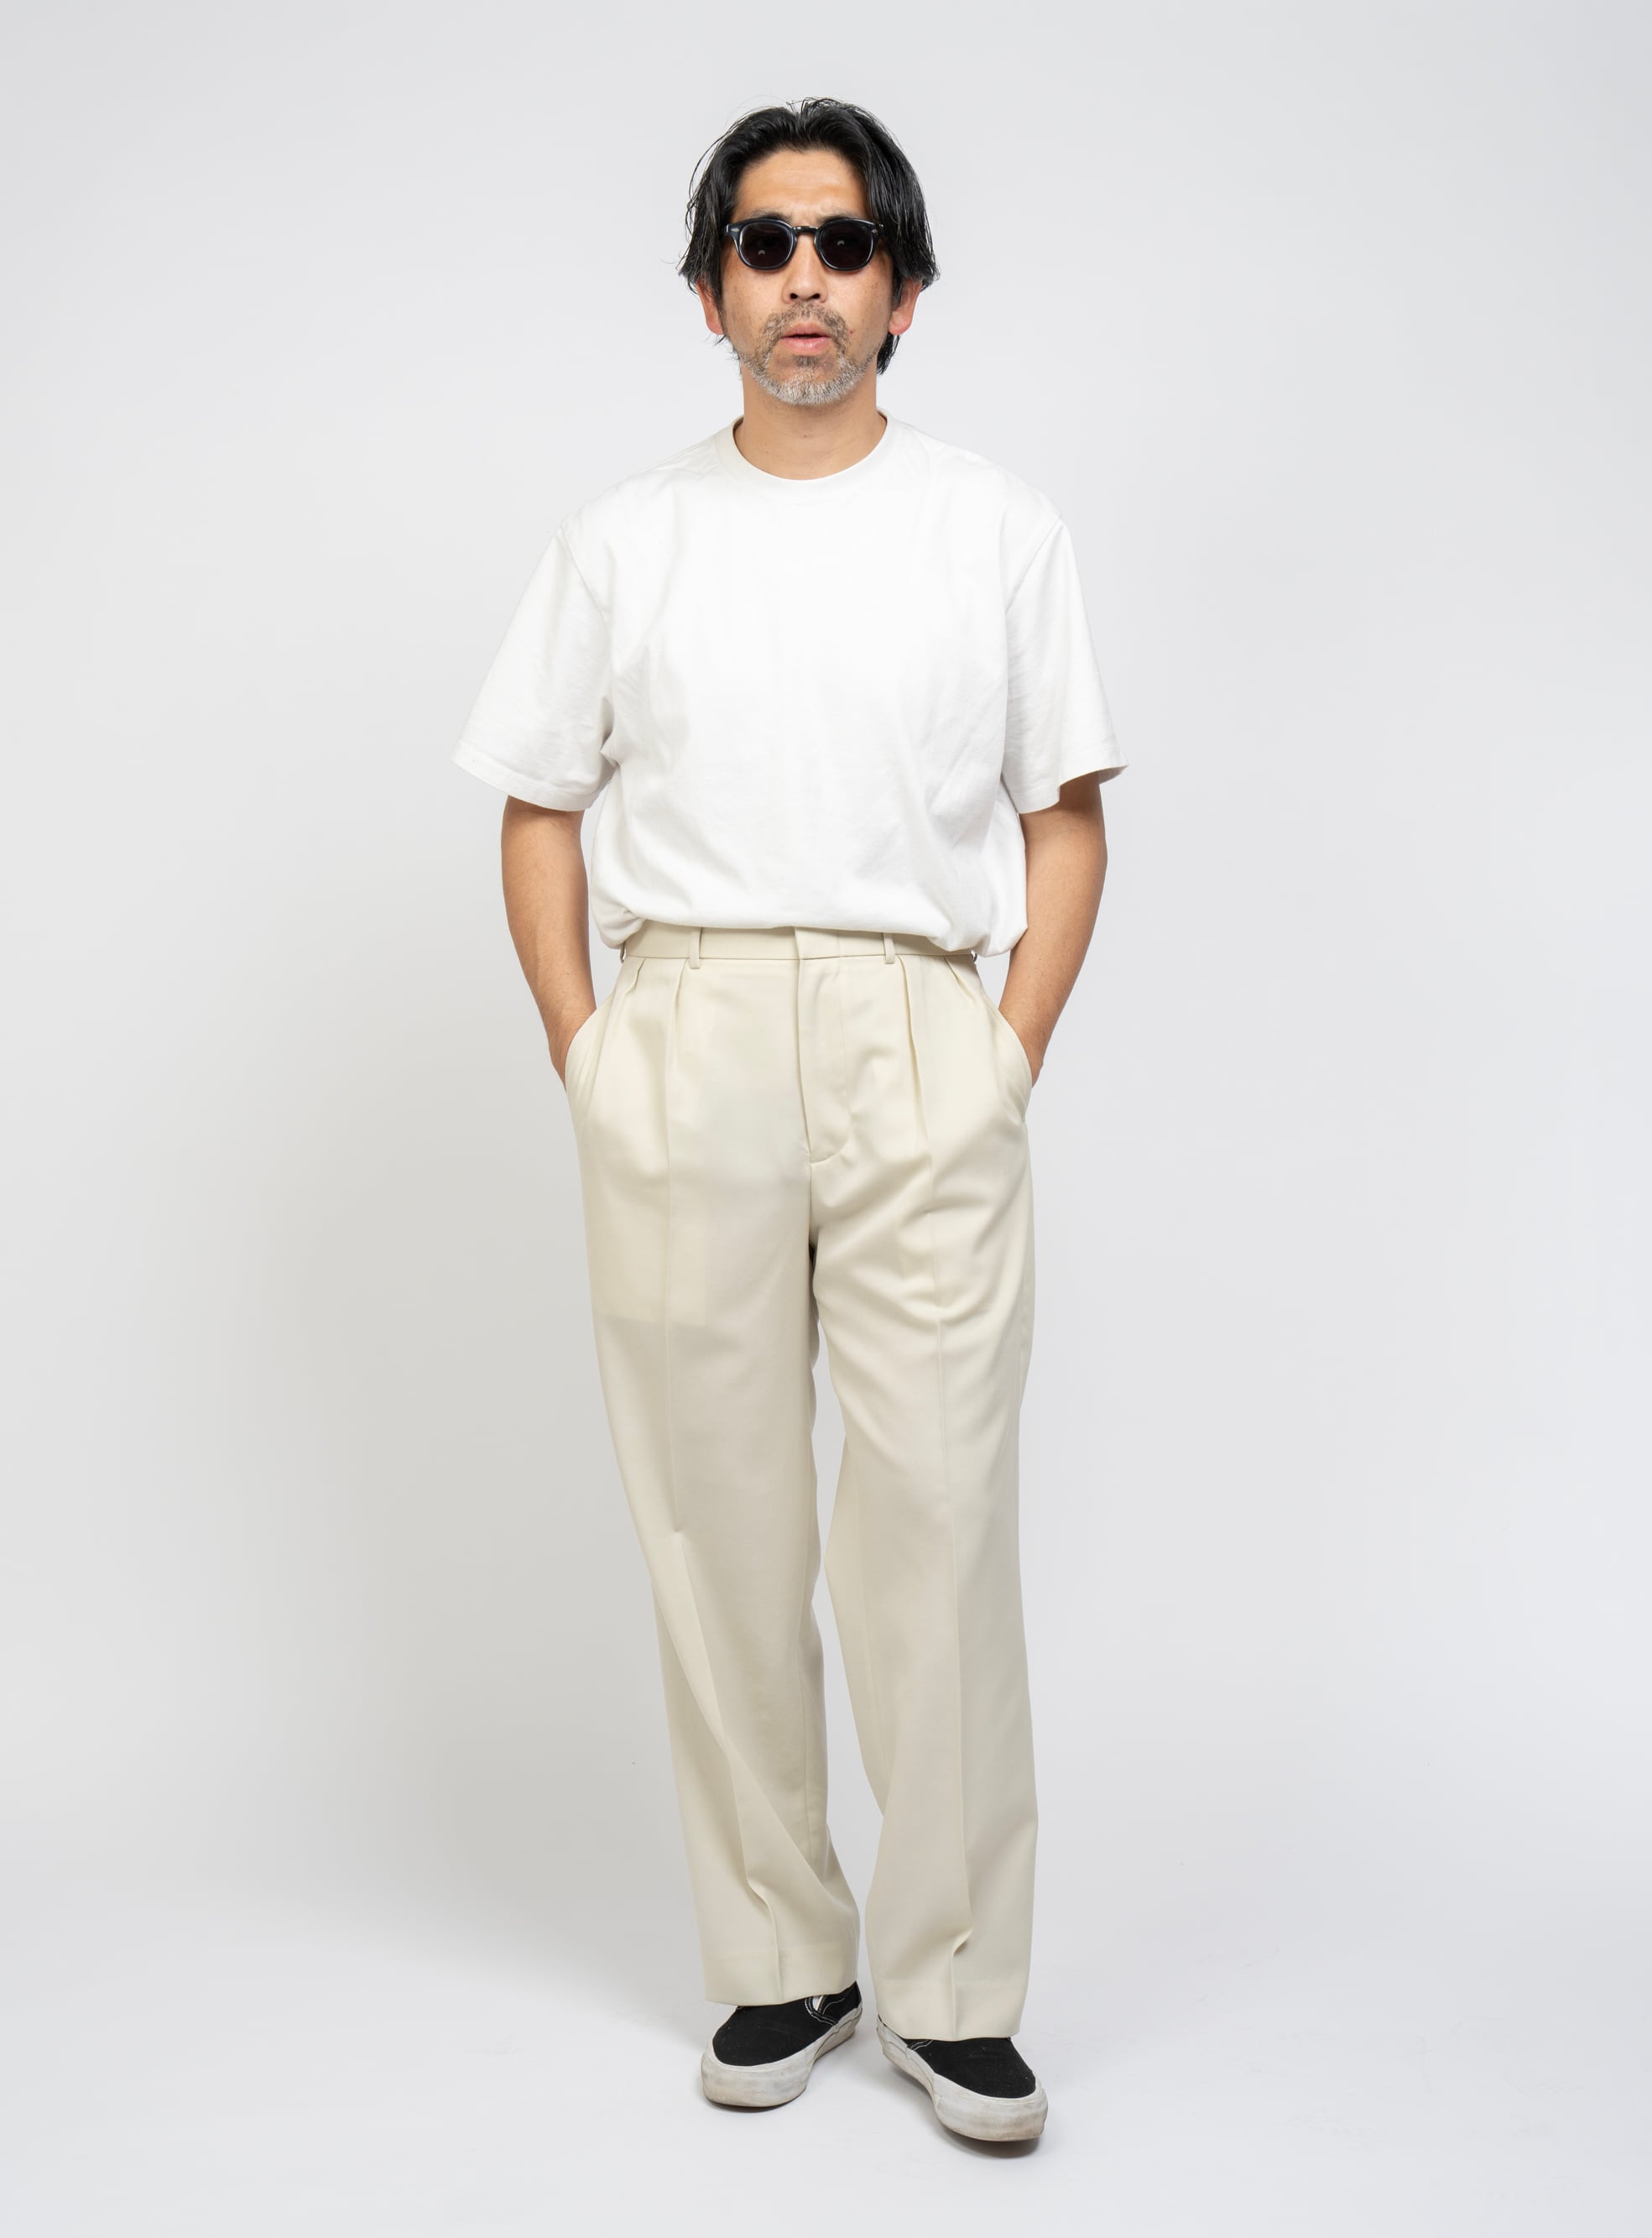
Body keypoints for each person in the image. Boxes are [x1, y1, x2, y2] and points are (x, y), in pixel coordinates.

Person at [451, 96, 1121, 2144]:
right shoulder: (623, 541)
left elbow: (1063, 815)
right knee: (714, 1518)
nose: (802, 280)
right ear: (709, 289)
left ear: (902, 289)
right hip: (690, 1024)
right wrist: (593, 1051)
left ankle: (954, 1982)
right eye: (763, 243)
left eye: (841, 244)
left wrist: (1000, 1051)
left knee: (938, 1514)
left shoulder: (994, 528)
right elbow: (540, 806)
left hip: (921, 1026)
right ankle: (779, 1954)